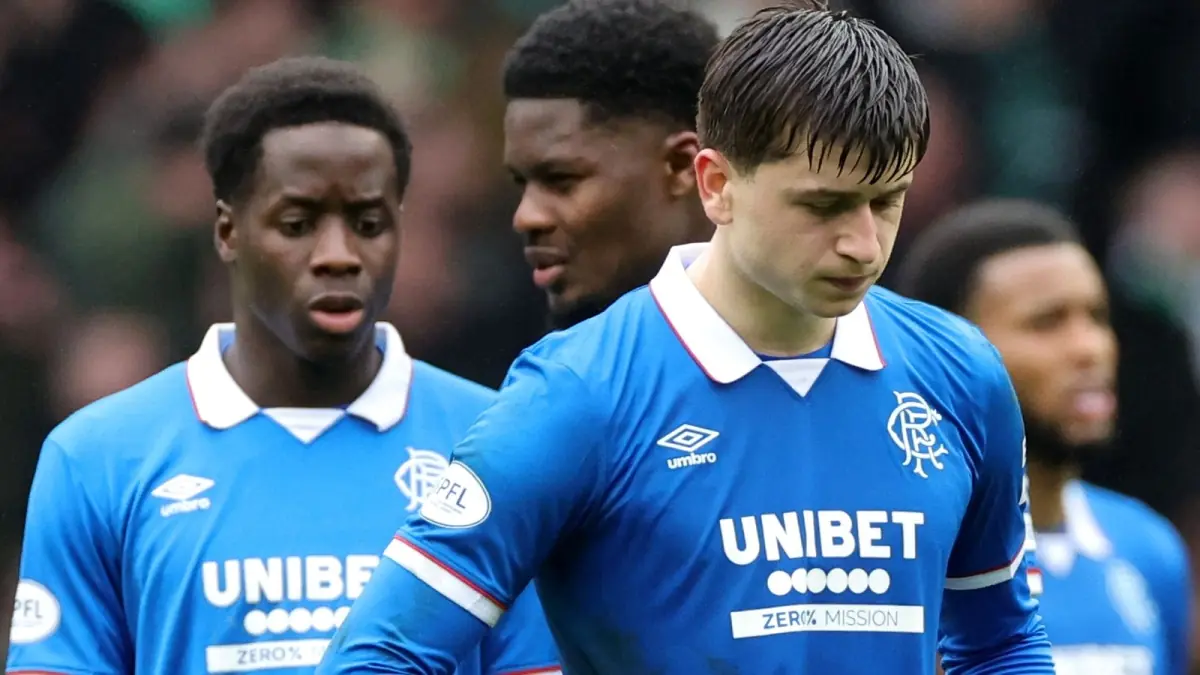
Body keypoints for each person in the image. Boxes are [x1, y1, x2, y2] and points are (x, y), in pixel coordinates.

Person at [318, 5, 1054, 674]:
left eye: (885, 201)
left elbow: (1002, 644)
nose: (862, 244)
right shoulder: (580, 392)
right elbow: (379, 656)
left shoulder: (959, 373)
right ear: (715, 184)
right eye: (822, 206)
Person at [6, 57, 560, 675]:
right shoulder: (97, 457)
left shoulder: (494, 445)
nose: (338, 255)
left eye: (368, 223)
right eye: (297, 223)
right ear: (228, 231)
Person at [895, 199, 1191, 675]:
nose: (1089, 348)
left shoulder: (1148, 549)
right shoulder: (902, 558)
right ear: (949, 355)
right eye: (1046, 322)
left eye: (1097, 316)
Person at [502, 0, 717, 329]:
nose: (525, 218)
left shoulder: (800, 347)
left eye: (562, 181)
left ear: (682, 166)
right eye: (521, 183)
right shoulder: (545, 362)